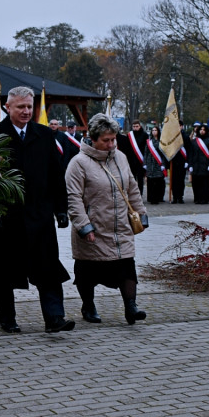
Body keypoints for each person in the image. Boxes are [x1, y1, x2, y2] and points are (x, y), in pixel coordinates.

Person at [0, 86, 74, 334]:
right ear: (7, 108)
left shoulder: (44, 135)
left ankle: (55, 317)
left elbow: (56, 175)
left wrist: (61, 210)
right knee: (3, 271)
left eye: (29, 107)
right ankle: (7, 318)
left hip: (39, 216)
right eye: (20, 107)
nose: (26, 111)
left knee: (48, 268)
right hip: (6, 218)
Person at [65, 113, 148, 325]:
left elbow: (131, 187)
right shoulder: (78, 163)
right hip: (94, 228)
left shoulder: (120, 158)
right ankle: (88, 305)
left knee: (127, 266)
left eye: (114, 139)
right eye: (106, 140)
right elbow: (73, 198)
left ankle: (131, 306)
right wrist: (84, 226)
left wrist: (141, 213)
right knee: (87, 271)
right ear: (93, 139)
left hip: (121, 226)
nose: (112, 144)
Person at [187, 123, 209, 204]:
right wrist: (190, 165)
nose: (202, 131)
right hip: (196, 165)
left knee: (204, 183)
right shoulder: (194, 141)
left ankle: (204, 199)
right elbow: (190, 154)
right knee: (195, 183)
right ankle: (197, 198)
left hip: (205, 165)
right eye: (201, 129)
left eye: (204, 130)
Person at [143, 125, 168, 204]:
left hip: (159, 164)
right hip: (150, 164)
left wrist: (163, 164)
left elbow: (164, 154)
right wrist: (145, 163)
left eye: (155, 130)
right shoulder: (149, 141)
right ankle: (150, 198)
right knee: (150, 182)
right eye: (153, 130)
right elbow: (146, 153)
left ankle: (158, 198)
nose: (154, 132)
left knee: (158, 182)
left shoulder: (162, 141)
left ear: (158, 131)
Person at [125, 120, 148, 197]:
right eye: (134, 126)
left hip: (140, 161)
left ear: (140, 126)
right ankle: (132, 195)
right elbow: (127, 148)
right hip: (131, 161)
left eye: (136, 126)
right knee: (132, 179)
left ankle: (140, 194)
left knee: (140, 179)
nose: (135, 128)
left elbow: (146, 148)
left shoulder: (145, 135)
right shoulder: (129, 135)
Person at [168, 120, 188, 204]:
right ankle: (174, 197)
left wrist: (187, 161)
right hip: (174, 161)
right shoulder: (172, 137)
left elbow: (189, 149)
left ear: (182, 126)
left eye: (179, 126)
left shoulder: (185, 136)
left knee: (181, 180)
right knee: (174, 180)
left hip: (182, 161)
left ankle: (180, 197)